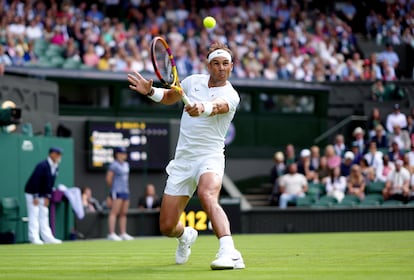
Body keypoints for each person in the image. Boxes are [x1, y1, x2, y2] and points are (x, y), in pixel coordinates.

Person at [127, 42, 245, 270]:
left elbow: (218, 106)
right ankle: (186, 237)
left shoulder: (231, 95)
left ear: (232, 67)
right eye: (216, 64)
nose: (221, 68)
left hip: (210, 157)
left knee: (207, 194)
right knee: (167, 226)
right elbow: (171, 96)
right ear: (209, 66)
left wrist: (202, 108)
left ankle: (230, 252)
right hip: (183, 161)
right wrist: (151, 92)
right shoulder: (192, 81)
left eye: (225, 64)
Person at [24, 147, 63, 245]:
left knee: (44, 215)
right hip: (32, 192)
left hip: (43, 194)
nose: (59, 156)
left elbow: (50, 183)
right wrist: (35, 196)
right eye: (57, 154)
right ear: (52, 154)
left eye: (60, 154)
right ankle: (34, 238)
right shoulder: (42, 165)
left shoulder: (56, 166)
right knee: (34, 214)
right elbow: (35, 181)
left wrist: (48, 196)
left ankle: (47, 237)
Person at [106, 147, 134, 241]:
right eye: (122, 153)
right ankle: (111, 234)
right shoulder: (113, 165)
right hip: (116, 191)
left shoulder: (126, 164)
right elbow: (109, 179)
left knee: (123, 213)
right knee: (114, 212)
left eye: (125, 153)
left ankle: (122, 233)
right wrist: (112, 191)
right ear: (117, 154)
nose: (124, 155)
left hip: (125, 191)